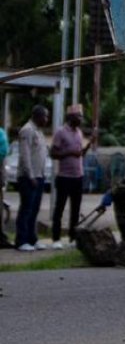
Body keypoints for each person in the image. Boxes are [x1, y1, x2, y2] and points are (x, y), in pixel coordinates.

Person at [50, 103, 91, 249]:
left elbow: (80, 154)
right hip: (64, 177)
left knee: (75, 209)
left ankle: (73, 237)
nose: (81, 119)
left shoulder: (79, 132)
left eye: (81, 116)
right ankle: (56, 238)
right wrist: (69, 153)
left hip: (78, 176)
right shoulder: (61, 132)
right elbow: (53, 153)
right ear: (71, 117)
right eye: (78, 116)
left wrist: (88, 146)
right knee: (59, 208)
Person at [16, 105, 51, 252]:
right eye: (45, 116)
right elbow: (25, 155)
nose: (47, 119)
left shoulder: (39, 132)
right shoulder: (27, 130)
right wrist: (30, 175)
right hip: (28, 177)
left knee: (35, 209)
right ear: (38, 116)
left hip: (39, 175)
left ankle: (32, 238)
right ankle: (21, 240)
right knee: (26, 209)